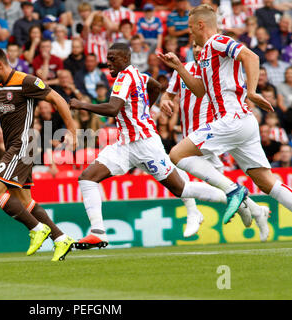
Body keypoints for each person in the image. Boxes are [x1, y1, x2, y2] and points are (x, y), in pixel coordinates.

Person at [68, 43, 245, 249]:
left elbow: (113, 109)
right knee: (87, 178)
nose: (108, 63)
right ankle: (97, 232)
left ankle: (233, 196)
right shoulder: (138, 75)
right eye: (107, 59)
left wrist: (82, 104)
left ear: (126, 59)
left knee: (182, 189)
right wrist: (144, 111)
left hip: (145, 145)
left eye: (113, 58)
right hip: (125, 145)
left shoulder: (125, 77)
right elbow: (155, 86)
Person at [157, 4, 292, 229]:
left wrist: (251, 91)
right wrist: (180, 67)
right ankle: (235, 191)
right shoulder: (207, 54)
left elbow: (251, 56)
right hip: (241, 124)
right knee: (267, 182)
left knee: (177, 154)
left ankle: (233, 190)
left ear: (201, 25)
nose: (189, 33)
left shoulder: (217, 41)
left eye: (191, 28)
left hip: (232, 119)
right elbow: (201, 91)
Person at [0, 46, 77, 261]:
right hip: (16, 145)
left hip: (23, 144)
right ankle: (61, 239)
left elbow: (58, 99)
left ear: (0, 65)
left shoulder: (26, 81)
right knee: (24, 201)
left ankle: (36, 229)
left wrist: (72, 131)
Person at [160, 40, 269, 239]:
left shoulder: (215, 69)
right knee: (220, 183)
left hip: (210, 134)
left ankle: (194, 213)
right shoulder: (182, 70)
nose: (197, 50)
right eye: (194, 47)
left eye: (200, 46)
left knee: (177, 167)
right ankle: (255, 209)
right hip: (190, 135)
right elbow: (168, 94)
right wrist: (165, 101)